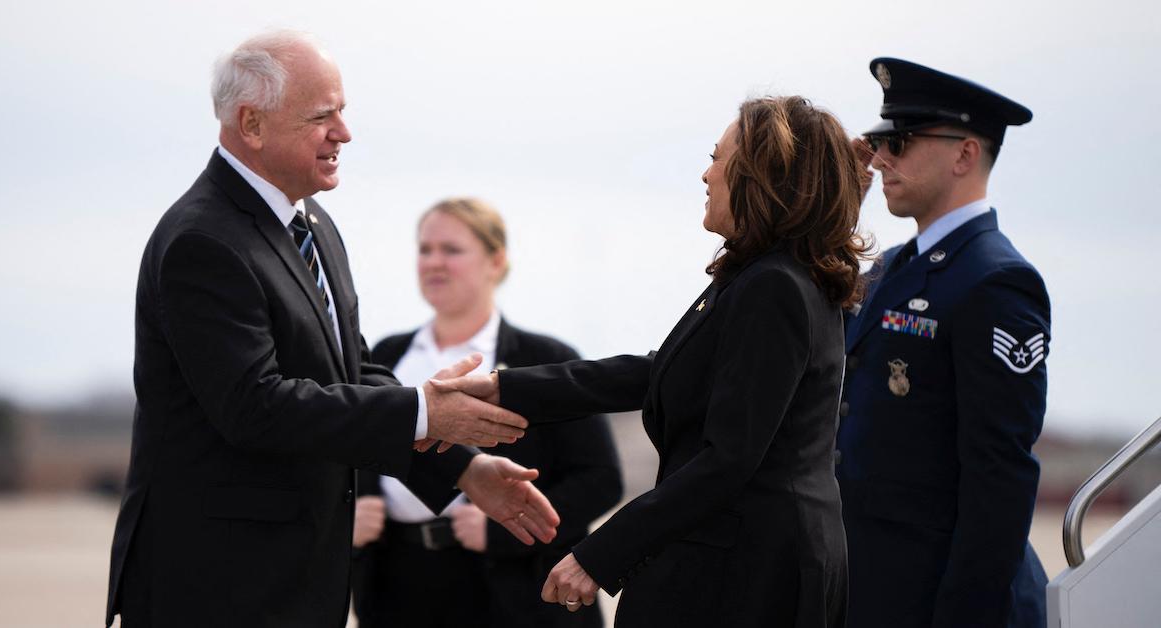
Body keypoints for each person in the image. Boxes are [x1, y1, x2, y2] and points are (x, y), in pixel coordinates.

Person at [104, 31, 559, 628]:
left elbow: (352, 374)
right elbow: (254, 406)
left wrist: (463, 469)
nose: (344, 132)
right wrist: (423, 411)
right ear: (252, 124)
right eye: (322, 116)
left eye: (342, 111)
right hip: (219, 586)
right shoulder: (203, 241)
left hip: (297, 584)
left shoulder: (313, 224)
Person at [436, 96, 868, 627]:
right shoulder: (768, 276)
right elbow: (657, 371)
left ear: (764, 177)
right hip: (746, 560)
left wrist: (599, 556)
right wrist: (506, 389)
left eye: (717, 157)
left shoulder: (774, 286)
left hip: (749, 576)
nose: (706, 175)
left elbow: (729, 459)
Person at [835, 57, 1050, 628]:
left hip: (938, 599)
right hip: (874, 589)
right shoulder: (889, 269)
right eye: (880, 142)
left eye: (900, 142)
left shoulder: (996, 280)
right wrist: (840, 208)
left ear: (965, 154)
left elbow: (1000, 477)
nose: (881, 159)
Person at [350, 198, 623, 627]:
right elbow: (354, 445)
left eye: (451, 250)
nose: (433, 262)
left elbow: (602, 481)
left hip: (513, 591)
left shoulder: (545, 360)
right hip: (396, 584)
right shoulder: (385, 356)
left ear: (495, 261)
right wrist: (353, 515)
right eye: (425, 249)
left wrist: (501, 530)